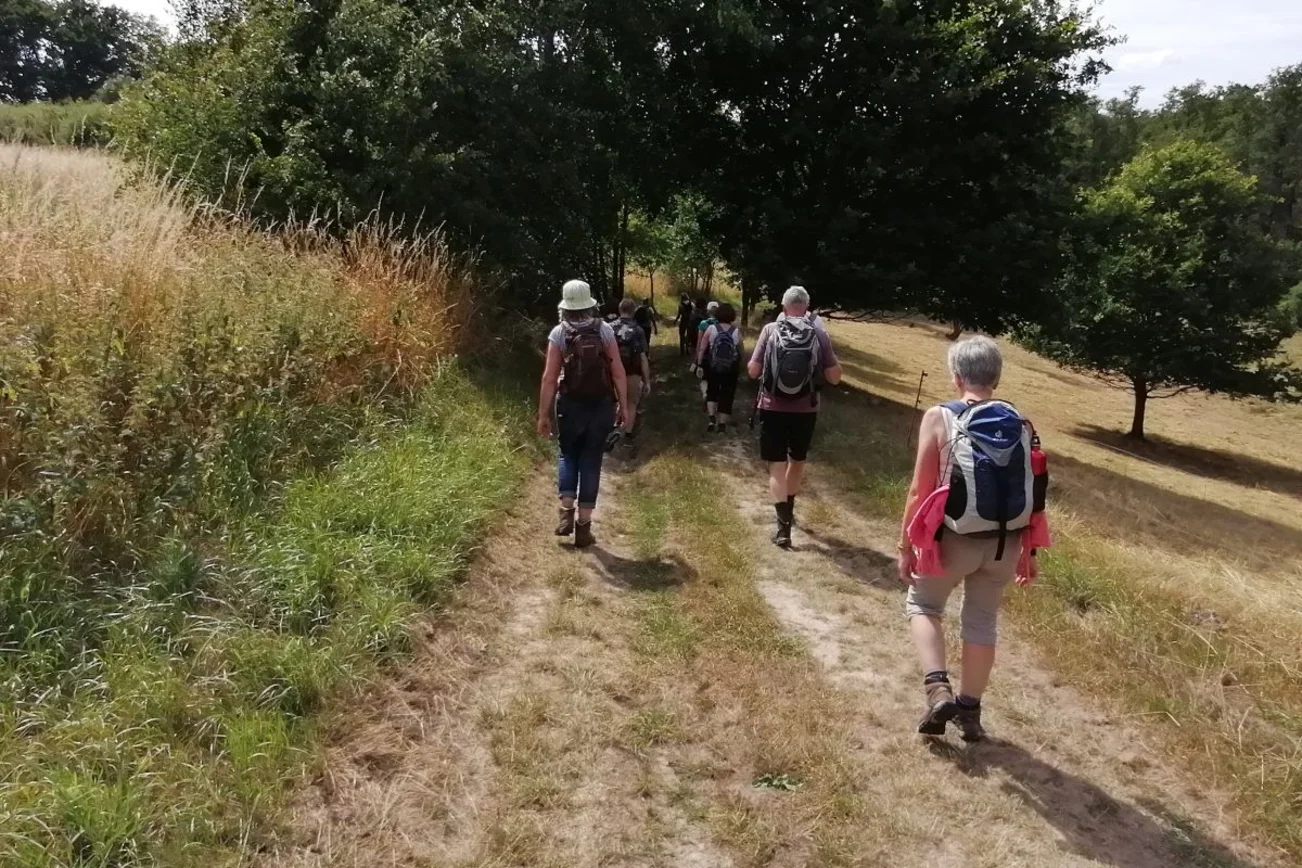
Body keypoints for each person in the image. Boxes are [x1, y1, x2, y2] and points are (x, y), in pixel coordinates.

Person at [896, 336, 1039, 742]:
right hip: (1005, 541)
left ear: (956, 376)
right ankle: (971, 712)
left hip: (954, 537)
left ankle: (938, 690)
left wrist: (905, 545)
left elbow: (919, 490)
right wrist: (1029, 549)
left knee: (923, 604)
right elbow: (1034, 487)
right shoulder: (1021, 422)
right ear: (996, 377)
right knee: (981, 621)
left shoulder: (939, 416)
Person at [747, 286, 842, 548]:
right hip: (805, 410)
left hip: (772, 407)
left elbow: (753, 371)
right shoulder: (819, 333)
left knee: (777, 465)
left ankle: (783, 528)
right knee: (797, 461)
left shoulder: (770, 330)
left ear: (783, 307)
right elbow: (834, 377)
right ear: (807, 307)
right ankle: (789, 513)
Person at [537, 280, 629, 548]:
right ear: (590, 304)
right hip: (601, 404)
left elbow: (549, 378)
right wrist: (623, 405)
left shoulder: (559, 333)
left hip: (570, 404)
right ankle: (584, 527)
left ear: (565, 306)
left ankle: (566, 511)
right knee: (591, 459)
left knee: (568, 454)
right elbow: (618, 371)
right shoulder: (605, 330)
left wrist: (543, 414)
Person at [696, 302, 743, 433]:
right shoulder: (736, 331)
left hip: (713, 365)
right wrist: (741, 364)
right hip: (731, 368)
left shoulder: (711, 329)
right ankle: (722, 424)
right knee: (727, 394)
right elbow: (741, 350)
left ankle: (712, 418)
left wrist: (699, 364)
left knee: (712, 390)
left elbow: (702, 348)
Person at [613, 297, 651, 449]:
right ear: (633, 311)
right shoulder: (638, 330)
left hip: (613, 371)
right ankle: (627, 434)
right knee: (631, 402)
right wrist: (647, 380)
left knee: (613, 401)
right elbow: (643, 357)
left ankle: (612, 430)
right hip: (632, 372)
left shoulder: (610, 328)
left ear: (619, 310)